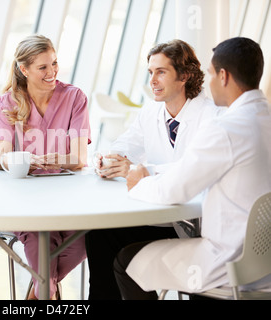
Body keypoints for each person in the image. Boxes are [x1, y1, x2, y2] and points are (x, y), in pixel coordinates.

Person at [114, 37, 271, 299]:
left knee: (126, 262)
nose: (208, 83)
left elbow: (173, 191)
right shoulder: (263, 119)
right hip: (264, 261)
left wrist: (139, 180)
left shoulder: (225, 129)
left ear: (223, 76)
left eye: (210, 74)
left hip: (229, 263)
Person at [85, 39, 225, 300]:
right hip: (162, 216)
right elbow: (128, 143)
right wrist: (109, 158)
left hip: (197, 223)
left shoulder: (211, 115)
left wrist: (142, 170)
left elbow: (192, 169)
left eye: (161, 72)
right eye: (150, 72)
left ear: (184, 75)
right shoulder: (151, 111)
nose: (153, 80)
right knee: (99, 236)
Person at [0, 34, 91, 299]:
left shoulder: (74, 97)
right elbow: (1, 151)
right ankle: (46, 292)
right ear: (24, 70)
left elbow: (79, 157)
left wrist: (49, 161)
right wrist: (17, 160)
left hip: (68, 199)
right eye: (43, 67)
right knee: (38, 237)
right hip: (24, 202)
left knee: (85, 239)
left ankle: (40, 291)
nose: (52, 72)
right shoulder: (7, 103)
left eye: (54, 63)